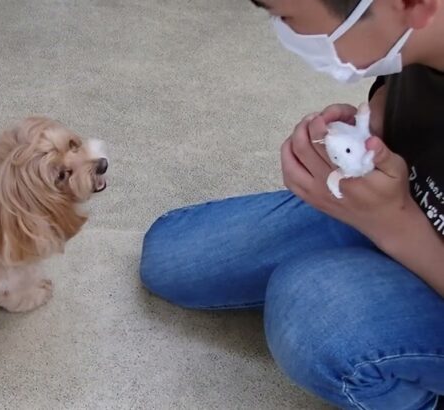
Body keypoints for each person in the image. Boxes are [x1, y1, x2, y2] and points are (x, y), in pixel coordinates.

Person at [139, 0, 444, 408]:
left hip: (414, 229)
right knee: (170, 256)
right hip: (413, 202)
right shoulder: (421, 33)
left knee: (315, 310)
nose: (284, 32)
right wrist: (374, 121)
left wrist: (393, 224)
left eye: (288, 18)